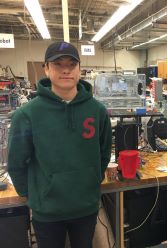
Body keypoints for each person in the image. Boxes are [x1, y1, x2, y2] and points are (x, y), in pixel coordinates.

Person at [8, 41, 112, 248]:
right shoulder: (27, 114)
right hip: (47, 211)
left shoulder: (98, 111)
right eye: (58, 64)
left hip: (86, 207)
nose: (66, 70)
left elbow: (104, 153)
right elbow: (16, 162)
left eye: (72, 64)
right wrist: (32, 197)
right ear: (46, 68)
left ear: (80, 69)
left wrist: (91, 182)